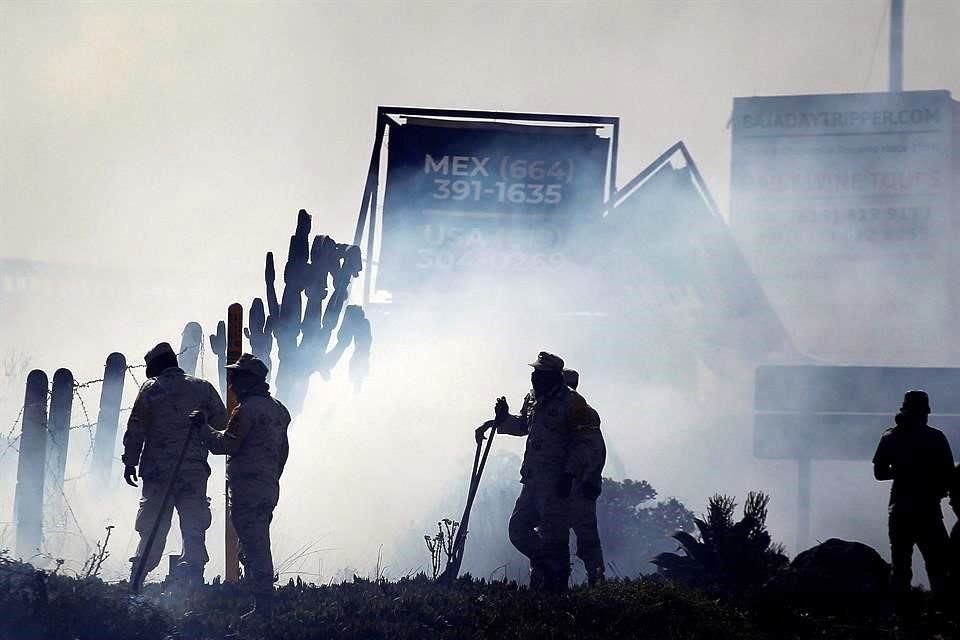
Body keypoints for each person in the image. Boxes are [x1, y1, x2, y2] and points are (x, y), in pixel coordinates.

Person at [476, 351, 601, 592]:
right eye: (534, 373)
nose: (534, 378)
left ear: (554, 377)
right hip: (532, 481)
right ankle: (548, 567)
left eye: (540, 374)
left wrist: (569, 475)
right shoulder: (533, 398)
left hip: (557, 485)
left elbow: (585, 444)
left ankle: (557, 587)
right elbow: (523, 425)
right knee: (518, 530)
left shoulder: (574, 404)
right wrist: (502, 418)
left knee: (557, 537)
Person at [122, 342, 227, 588]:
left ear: (156, 368)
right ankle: (194, 582)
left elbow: (136, 428)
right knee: (193, 525)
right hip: (193, 470)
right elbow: (222, 423)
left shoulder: (150, 389)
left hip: (158, 473)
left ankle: (136, 582)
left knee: (152, 528)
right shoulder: (203, 388)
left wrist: (130, 461)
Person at [194, 353, 290, 620]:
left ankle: (263, 607)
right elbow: (283, 452)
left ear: (248, 381)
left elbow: (226, 445)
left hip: (247, 487)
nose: (232, 385)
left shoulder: (245, 411)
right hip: (268, 485)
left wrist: (203, 428)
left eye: (236, 378)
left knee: (255, 545)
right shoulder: (279, 410)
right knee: (256, 541)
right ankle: (259, 603)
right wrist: (271, 476)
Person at [872, 389, 954, 596]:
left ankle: (903, 617)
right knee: (939, 565)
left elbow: (879, 473)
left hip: (899, 511)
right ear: (925, 412)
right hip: (928, 511)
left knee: (900, 568)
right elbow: (949, 475)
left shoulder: (890, 436)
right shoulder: (936, 438)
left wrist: (901, 471)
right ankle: (942, 613)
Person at [562, 368, 607, 586]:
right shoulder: (550, 409)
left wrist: (589, 478)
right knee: (550, 538)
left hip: (579, 486)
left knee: (587, 538)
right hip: (557, 485)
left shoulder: (584, 411)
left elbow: (595, 449)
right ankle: (548, 585)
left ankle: (596, 582)